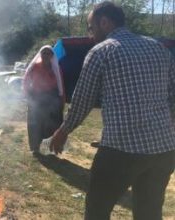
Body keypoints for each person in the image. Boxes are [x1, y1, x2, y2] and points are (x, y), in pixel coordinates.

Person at [49, 1, 175, 219]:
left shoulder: (102, 51)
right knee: (149, 213)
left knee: (97, 210)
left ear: (104, 22)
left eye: (90, 27)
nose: (90, 35)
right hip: (164, 151)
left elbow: (82, 100)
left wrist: (63, 131)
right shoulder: (158, 48)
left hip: (121, 150)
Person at [23, 45, 65, 156]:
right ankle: (35, 148)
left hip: (51, 98)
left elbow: (61, 85)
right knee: (35, 123)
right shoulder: (34, 67)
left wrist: (62, 100)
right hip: (37, 98)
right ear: (40, 54)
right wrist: (28, 95)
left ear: (52, 55)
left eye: (48, 53)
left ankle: (51, 148)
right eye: (44, 53)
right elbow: (26, 80)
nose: (46, 55)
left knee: (52, 124)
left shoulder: (56, 68)